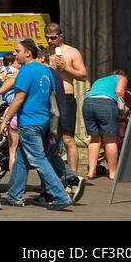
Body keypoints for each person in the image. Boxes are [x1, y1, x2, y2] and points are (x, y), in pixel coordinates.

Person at [0, 39, 71, 210]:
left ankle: (61, 196)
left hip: (29, 122)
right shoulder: (46, 70)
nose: (15, 54)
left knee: (39, 159)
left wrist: (5, 120)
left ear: (28, 53)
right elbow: (52, 98)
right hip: (44, 121)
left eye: (17, 51)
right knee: (21, 159)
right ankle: (14, 195)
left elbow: (18, 99)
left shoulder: (25, 71)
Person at [44, 22, 86, 175]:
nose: (50, 41)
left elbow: (83, 75)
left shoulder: (72, 52)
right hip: (48, 97)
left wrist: (66, 68)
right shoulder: (44, 53)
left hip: (66, 98)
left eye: (53, 38)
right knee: (50, 138)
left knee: (67, 138)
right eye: (47, 38)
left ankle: (73, 176)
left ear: (60, 36)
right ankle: (50, 177)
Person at [83, 68, 128, 181]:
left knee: (94, 139)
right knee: (110, 140)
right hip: (105, 104)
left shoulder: (100, 80)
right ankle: (113, 173)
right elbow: (119, 92)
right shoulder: (121, 78)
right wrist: (123, 109)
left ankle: (91, 172)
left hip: (88, 103)